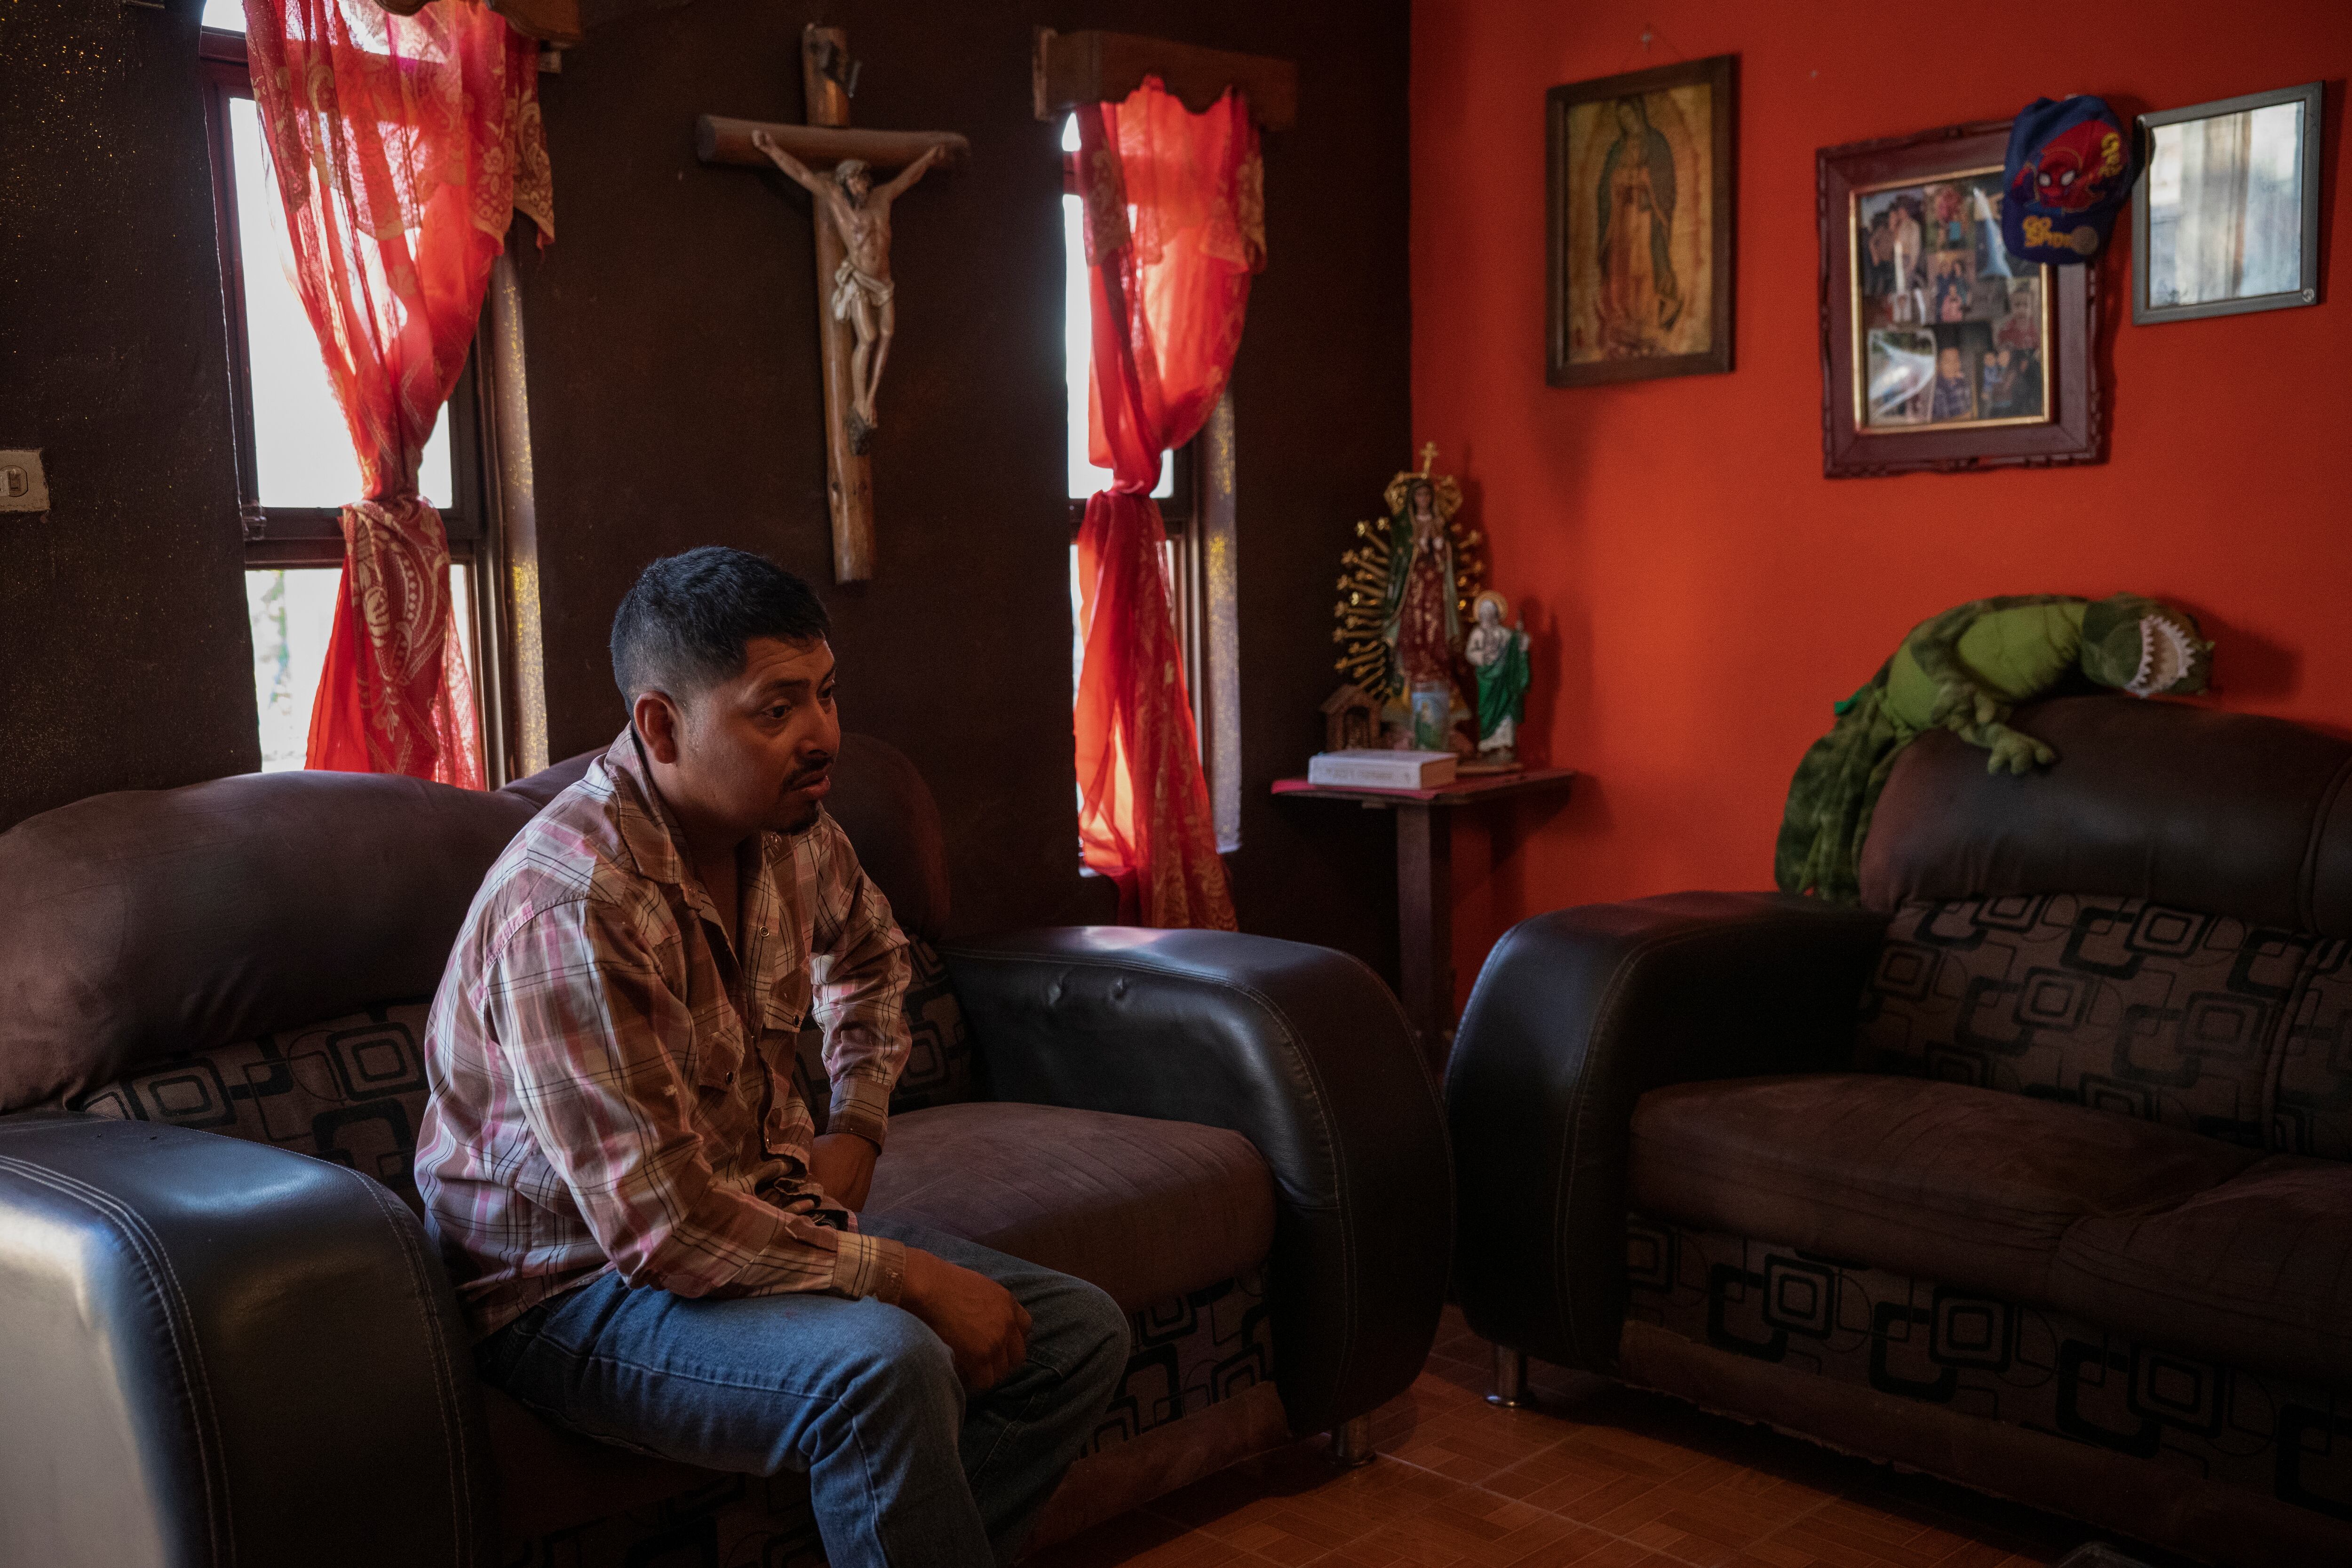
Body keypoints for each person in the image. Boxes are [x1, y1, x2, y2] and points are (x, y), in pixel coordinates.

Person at [414, 547, 1128, 1568]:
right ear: (661, 724)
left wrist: (860, 1121)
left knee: (1073, 1335)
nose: (823, 734)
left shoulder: (793, 831)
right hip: (566, 1292)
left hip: (753, 1211)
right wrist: (906, 1275)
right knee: (883, 1367)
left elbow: (879, 958)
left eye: (828, 695)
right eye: (777, 707)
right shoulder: (572, 906)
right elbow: (661, 1230)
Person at [753, 133, 945, 449]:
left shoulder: (882, 198)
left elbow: (908, 178)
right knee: (867, 338)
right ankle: (859, 402)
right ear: (845, 182)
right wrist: (770, 148)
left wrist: (927, 158)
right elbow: (801, 173)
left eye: (863, 178)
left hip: (884, 282)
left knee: (888, 335)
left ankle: (870, 398)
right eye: (855, 179)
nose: (861, 184)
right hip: (859, 279)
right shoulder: (836, 200)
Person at [1931, 344, 1975, 421]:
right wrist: (1964, 418)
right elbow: (1942, 423)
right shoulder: (1938, 389)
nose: (1953, 365)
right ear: (1938, 365)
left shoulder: (1963, 384)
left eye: (1956, 361)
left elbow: (1971, 410)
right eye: (1948, 362)